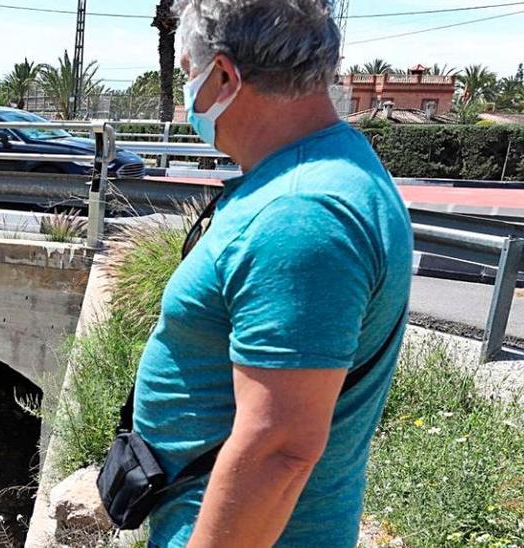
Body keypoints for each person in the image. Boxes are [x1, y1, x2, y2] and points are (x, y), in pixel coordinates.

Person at [133, 0, 412, 546]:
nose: (190, 95)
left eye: (190, 76)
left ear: (225, 75)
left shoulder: (302, 215)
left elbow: (278, 449)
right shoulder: (328, 165)